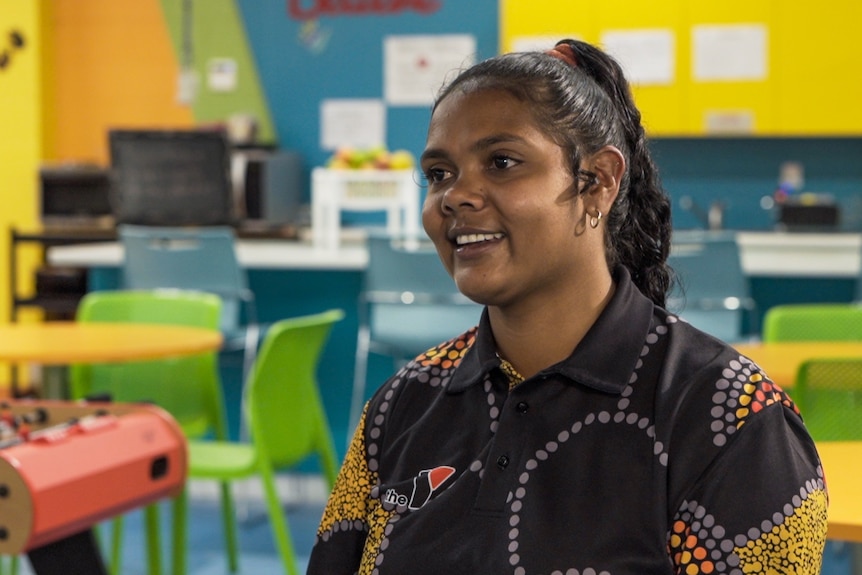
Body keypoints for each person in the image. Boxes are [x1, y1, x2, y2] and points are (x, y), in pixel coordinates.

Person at [307, 39, 827, 574]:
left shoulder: (731, 421)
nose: (455, 196)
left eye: (502, 162)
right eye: (440, 173)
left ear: (597, 181)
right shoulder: (401, 405)